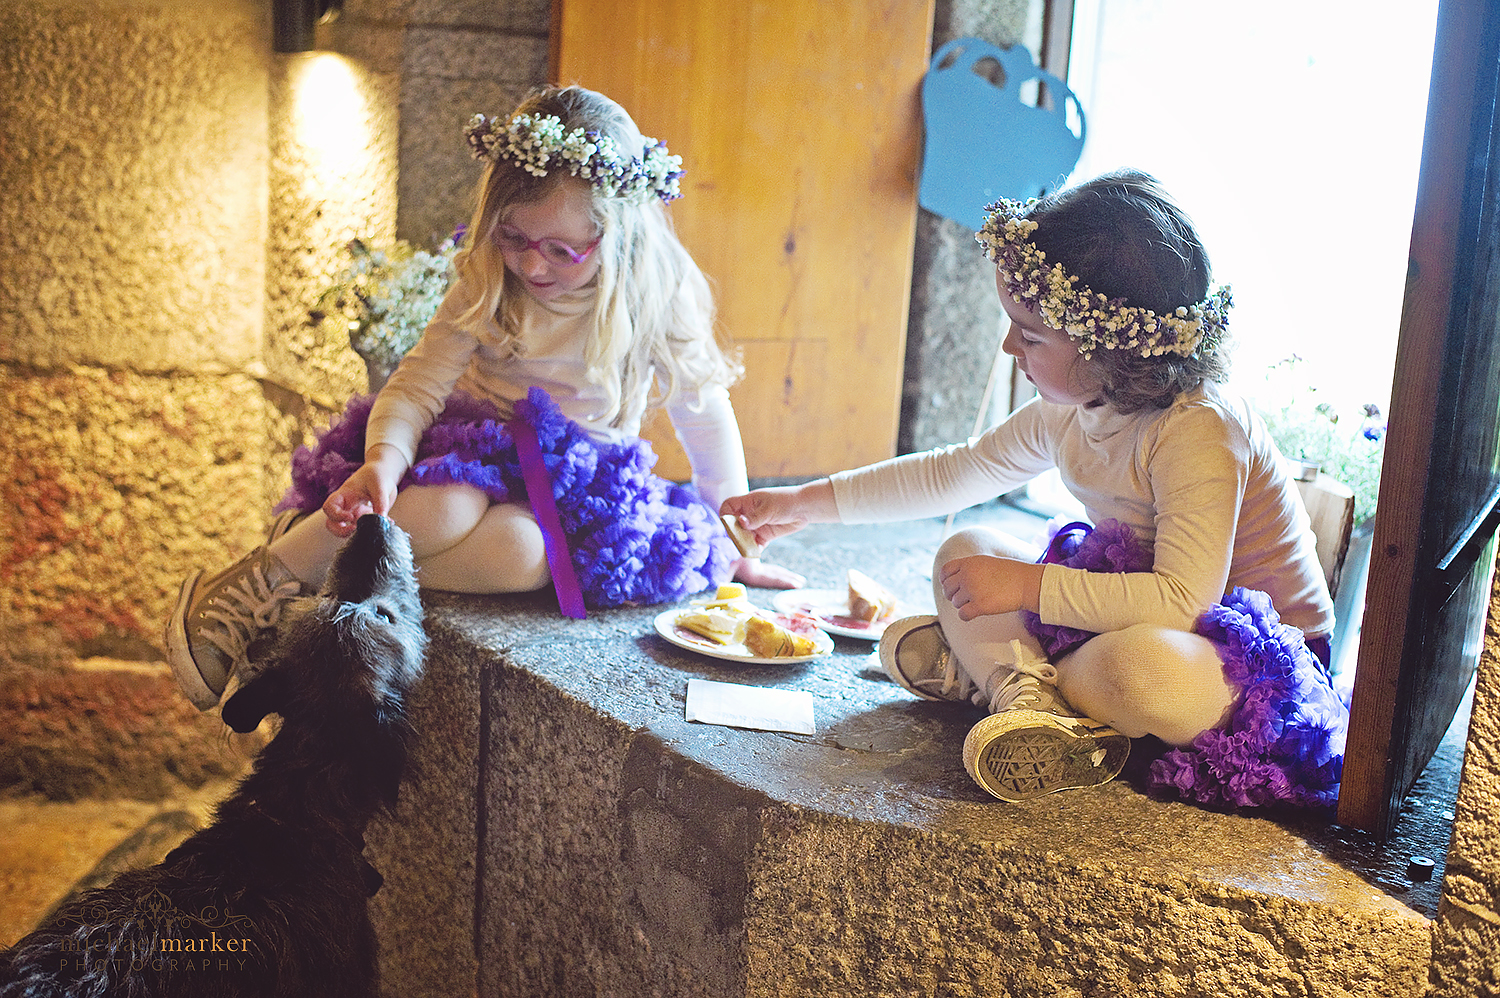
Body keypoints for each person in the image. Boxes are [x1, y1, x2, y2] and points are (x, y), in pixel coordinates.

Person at [722, 170, 1347, 810]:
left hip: (1250, 669)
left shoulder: (1199, 429)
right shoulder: (1072, 407)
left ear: (1112, 350)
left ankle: (1003, 676)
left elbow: (1182, 604)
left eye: (1032, 334)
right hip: (1143, 613)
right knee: (966, 549)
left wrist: (1025, 590)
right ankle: (1029, 698)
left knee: (1137, 670)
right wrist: (800, 503)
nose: (1008, 344)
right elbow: (953, 472)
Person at [167, 84, 803, 712]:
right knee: (445, 509)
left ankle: (319, 578)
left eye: (563, 250)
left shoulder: (659, 291)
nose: (533, 266)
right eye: (515, 237)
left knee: (525, 557)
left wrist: (738, 541)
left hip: (573, 489)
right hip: (471, 452)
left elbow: (706, 418)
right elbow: (416, 386)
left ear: (622, 229)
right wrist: (383, 461)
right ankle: (265, 577)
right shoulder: (486, 280)